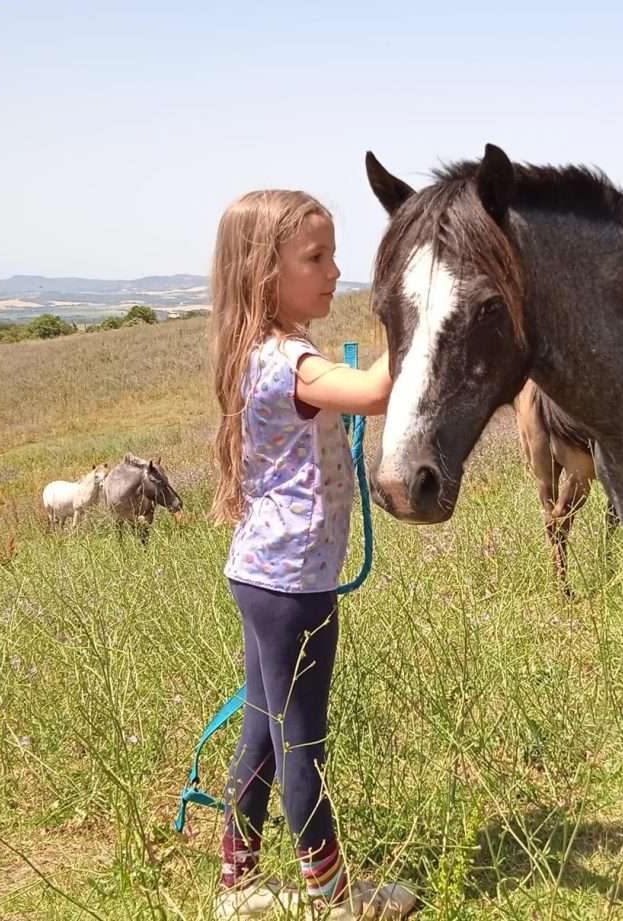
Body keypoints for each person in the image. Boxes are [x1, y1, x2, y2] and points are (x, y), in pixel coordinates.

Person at [208, 189, 393, 919]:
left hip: (258, 574)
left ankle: (239, 884)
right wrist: (419, 312)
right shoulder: (294, 363)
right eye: (315, 258)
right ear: (264, 271)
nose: (335, 271)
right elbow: (376, 390)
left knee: (262, 726)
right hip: (294, 587)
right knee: (302, 744)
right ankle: (335, 899)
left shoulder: (254, 353)